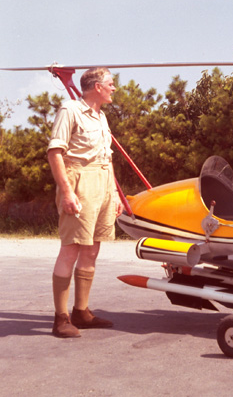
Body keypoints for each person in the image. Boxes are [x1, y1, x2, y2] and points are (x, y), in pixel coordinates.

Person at [47, 67, 123, 338]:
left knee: (91, 249)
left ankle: (82, 311)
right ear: (97, 87)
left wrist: (113, 193)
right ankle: (60, 318)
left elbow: (107, 158)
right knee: (71, 249)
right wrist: (67, 193)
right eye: (110, 84)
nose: (114, 88)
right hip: (79, 181)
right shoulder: (70, 110)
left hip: (102, 182)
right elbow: (55, 153)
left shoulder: (101, 117)